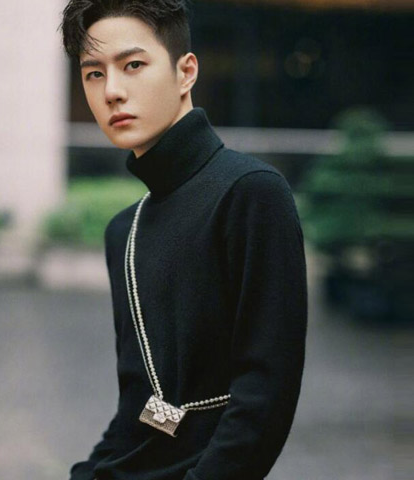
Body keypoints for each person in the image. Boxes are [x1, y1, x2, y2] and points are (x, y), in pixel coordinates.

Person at [59, 1, 308, 479]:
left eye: (133, 65)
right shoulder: (124, 232)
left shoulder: (251, 193)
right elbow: (139, 404)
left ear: (186, 72)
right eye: (94, 74)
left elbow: (264, 399)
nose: (112, 91)